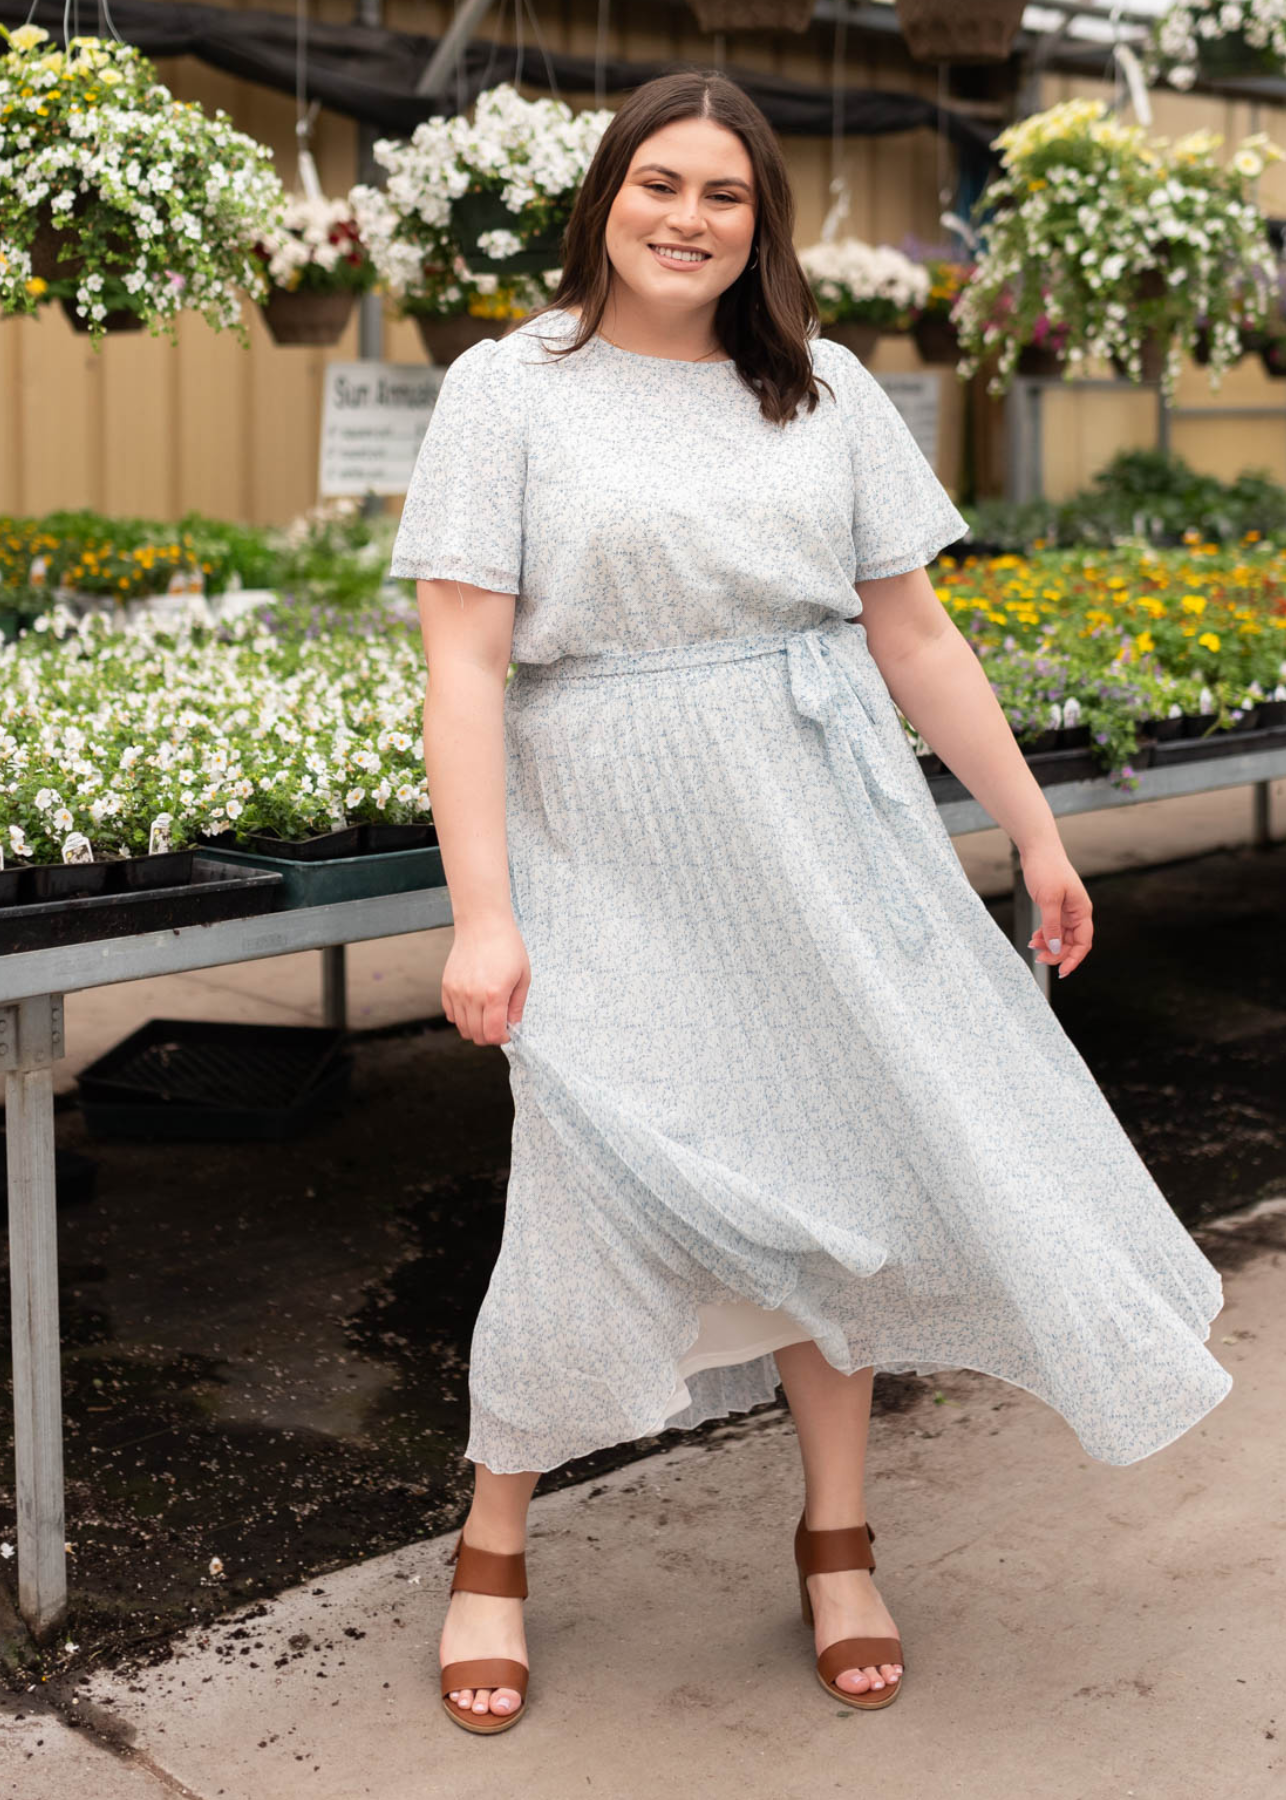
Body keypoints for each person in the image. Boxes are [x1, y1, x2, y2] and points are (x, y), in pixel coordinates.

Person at [388, 70, 1232, 1736]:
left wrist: (1032, 837)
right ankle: (495, 1536)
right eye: (658, 183)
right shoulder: (509, 389)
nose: (686, 218)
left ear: (760, 224)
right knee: (586, 1179)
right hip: (610, 845)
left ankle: (836, 1533)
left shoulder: (823, 389)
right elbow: (463, 665)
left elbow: (913, 634)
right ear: (603, 198)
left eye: (723, 194)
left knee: (833, 1167)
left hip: (822, 835)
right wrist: (482, 914)